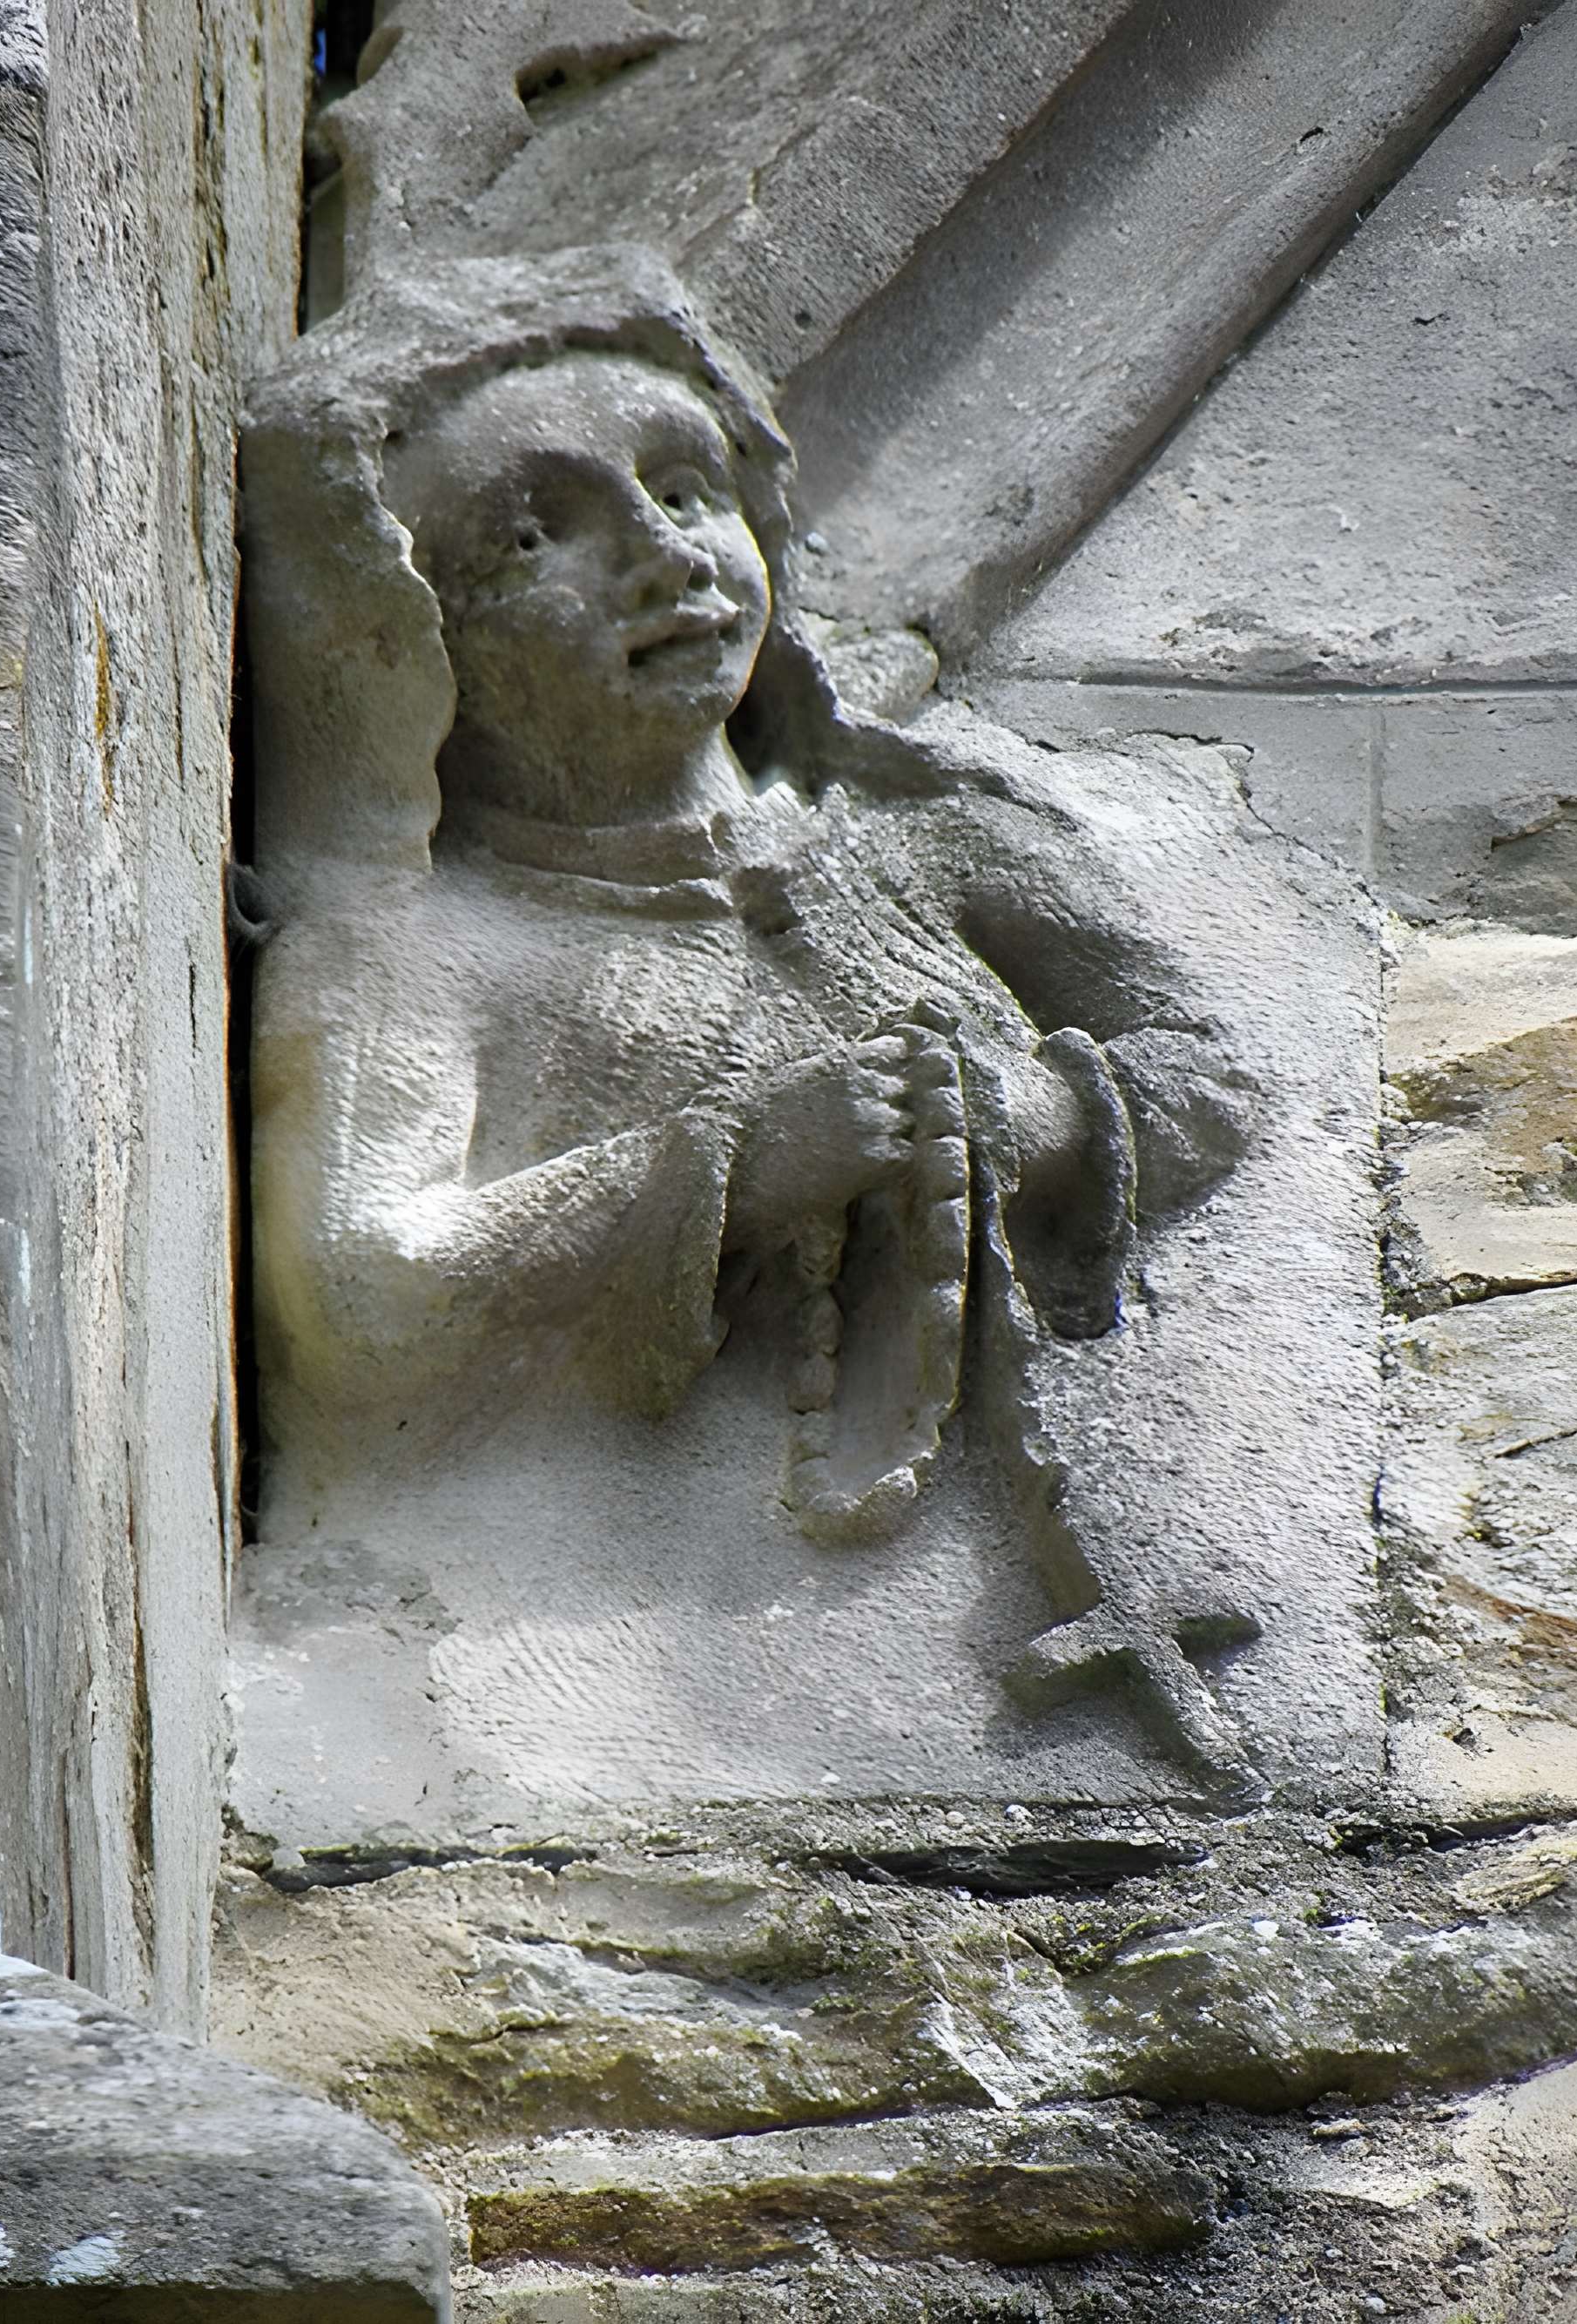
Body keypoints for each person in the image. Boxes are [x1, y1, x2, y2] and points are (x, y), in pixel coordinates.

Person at [239, 250, 1262, 1811]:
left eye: (687, 487)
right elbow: (366, 1286)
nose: (661, 556)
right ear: (412, 632)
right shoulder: (414, 958)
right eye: (536, 534)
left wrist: (1039, 1118)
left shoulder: (930, 840)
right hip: (580, 1704)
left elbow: (1210, 1062)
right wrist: (734, 1166)